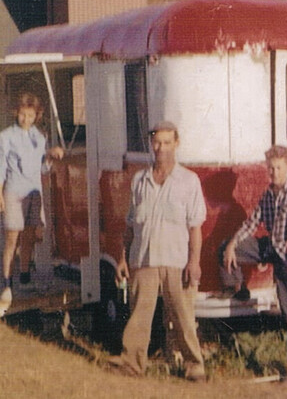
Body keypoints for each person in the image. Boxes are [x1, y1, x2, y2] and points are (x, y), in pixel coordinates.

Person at [221, 145, 287, 382]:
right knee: (227, 247)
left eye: (279, 168)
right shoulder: (267, 194)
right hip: (272, 248)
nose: (274, 173)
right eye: (270, 168)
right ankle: (238, 288)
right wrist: (232, 244)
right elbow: (252, 224)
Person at [107, 121, 206, 382]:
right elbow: (130, 225)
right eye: (156, 142)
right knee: (139, 317)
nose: (160, 148)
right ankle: (132, 364)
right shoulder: (140, 180)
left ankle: (194, 365)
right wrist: (122, 258)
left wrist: (193, 263)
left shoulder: (189, 181)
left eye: (166, 142)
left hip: (176, 260)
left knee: (183, 317)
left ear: (176, 144)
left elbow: (196, 227)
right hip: (143, 259)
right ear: (151, 144)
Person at [0, 93, 64, 314]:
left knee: (30, 237)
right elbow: (1, 166)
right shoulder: (6, 136)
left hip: (34, 193)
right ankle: (6, 283)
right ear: (16, 113)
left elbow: (42, 168)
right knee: (12, 239)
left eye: (30, 115)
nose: (26, 119)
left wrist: (50, 158)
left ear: (37, 115)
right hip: (14, 192)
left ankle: (25, 277)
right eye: (22, 114)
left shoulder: (40, 136)